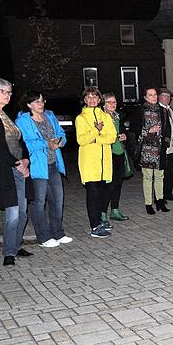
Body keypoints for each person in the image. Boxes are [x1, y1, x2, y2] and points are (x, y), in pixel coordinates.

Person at [0, 77, 33, 266]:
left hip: (19, 167)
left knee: (23, 212)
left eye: (10, 92)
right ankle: (8, 253)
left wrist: (26, 159)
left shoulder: (5, 114)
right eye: (4, 91)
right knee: (13, 212)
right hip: (6, 170)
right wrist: (18, 164)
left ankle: (16, 245)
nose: (8, 95)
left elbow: (20, 140)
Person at [15, 90, 71, 248]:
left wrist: (60, 141)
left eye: (42, 100)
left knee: (58, 200)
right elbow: (24, 144)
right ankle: (43, 237)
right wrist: (46, 144)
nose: (41, 104)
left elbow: (60, 133)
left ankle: (58, 233)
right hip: (37, 165)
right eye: (37, 101)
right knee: (39, 202)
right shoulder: (22, 121)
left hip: (53, 163)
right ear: (28, 104)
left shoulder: (50, 115)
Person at [76, 87, 116, 238]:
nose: (92, 100)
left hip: (104, 162)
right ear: (85, 100)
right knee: (92, 194)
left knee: (102, 194)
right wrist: (96, 130)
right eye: (89, 97)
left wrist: (95, 139)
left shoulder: (105, 116)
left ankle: (99, 221)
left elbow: (112, 137)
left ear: (100, 100)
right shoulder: (81, 118)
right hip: (89, 163)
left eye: (95, 97)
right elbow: (82, 139)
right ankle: (94, 226)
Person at [131, 87, 171, 214]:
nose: (153, 97)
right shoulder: (140, 110)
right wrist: (148, 131)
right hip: (146, 148)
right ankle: (148, 203)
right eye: (150, 95)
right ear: (145, 97)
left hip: (160, 148)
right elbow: (133, 128)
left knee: (160, 176)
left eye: (155, 95)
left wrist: (166, 141)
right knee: (148, 177)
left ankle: (160, 200)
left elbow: (167, 128)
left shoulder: (163, 110)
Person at [102, 93, 129, 222]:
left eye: (114, 102)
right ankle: (102, 213)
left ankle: (115, 210)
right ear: (103, 104)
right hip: (108, 153)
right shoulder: (102, 117)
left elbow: (122, 131)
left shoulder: (117, 116)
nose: (113, 105)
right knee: (109, 185)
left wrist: (124, 136)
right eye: (109, 102)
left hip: (119, 152)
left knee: (118, 184)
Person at [159, 89, 173, 201]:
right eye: (164, 96)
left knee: (172, 171)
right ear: (159, 97)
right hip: (163, 145)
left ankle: (168, 192)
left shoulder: (171, 110)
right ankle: (160, 194)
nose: (167, 99)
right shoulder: (157, 110)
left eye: (169, 97)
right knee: (162, 172)